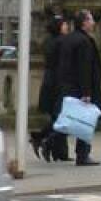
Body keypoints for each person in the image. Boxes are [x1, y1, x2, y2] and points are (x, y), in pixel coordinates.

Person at [54, 9, 101, 166]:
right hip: (81, 88)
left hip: (67, 85)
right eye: (90, 20)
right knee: (85, 121)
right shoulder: (85, 41)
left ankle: (52, 143)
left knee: (68, 119)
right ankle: (82, 154)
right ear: (84, 23)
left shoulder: (68, 39)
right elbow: (85, 68)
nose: (93, 23)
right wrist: (86, 92)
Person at [32, 14, 70, 162]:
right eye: (64, 24)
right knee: (61, 117)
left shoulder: (49, 41)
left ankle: (58, 151)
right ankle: (44, 140)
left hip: (50, 81)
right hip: (59, 82)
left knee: (57, 117)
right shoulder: (62, 42)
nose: (67, 27)